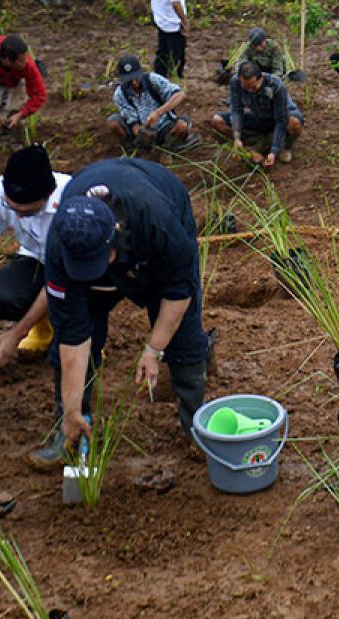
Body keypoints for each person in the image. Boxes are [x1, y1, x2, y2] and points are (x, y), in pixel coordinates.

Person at [29, 158, 209, 467]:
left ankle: (196, 428)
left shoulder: (157, 222)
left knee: (183, 336)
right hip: (101, 235)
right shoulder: (61, 243)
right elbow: (72, 334)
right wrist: (71, 409)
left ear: (115, 235)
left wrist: (153, 350)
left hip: (158, 208)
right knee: (78, 336)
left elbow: (179, 293)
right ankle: (70, 430)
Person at [0, 145, 71, 369]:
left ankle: (86, 335)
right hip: (36, 258)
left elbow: (62, 278)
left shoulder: (70, 202)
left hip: (80, 271)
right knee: (1, 297)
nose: (18, 216)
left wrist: (16, 333)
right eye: (12, 208)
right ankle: (44, 331)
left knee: (77, 294)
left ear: (47, 196)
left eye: (27, 212)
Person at [210, 60, 304, 166]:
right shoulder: (235, 82)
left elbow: (280, 119)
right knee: (217, 120)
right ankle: (249, 145)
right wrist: (237, 137)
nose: (250, 91)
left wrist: (274, 151)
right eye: (246, 87)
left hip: (280, 117)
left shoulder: (275, 85)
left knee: (294, 123)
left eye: (253, 87)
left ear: (261, 78)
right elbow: (236, 110)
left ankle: (285, 146)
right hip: (259, 117)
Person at [107, 53, 198, 156]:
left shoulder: (153, 80)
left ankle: (167, 151)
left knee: (182, 126)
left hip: (165, 126)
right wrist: (141, 132)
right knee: (113, 122)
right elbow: (132, 121)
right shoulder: (120, 94)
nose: (133, 82)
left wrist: (158, 113)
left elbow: (180, 95)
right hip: (143, 131)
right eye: (129, 80)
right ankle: (132, 150)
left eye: (135, 78)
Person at [0, 34, 47, 134]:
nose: (26, 62)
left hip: (15, 81)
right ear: (7, 60)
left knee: (17, 120)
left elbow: (39, 95)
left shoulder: (27, 64)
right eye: (21, 61)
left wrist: (21, 115)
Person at [151, 0, 189, 79]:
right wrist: (184, 22)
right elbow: (176, 3)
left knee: (162, 53)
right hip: (173, 22)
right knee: (177, 57)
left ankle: (158, 78)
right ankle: (175, 79)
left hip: (161, 20)